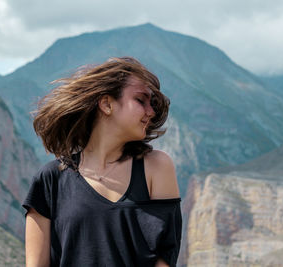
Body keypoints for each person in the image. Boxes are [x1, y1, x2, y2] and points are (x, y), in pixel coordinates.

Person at [23, 57, 182, 267]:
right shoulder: (50, 180)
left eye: (151, 103)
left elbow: (164, 258)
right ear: (107, 104)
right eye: (141, 100)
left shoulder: (156, 167)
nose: (150, 112)